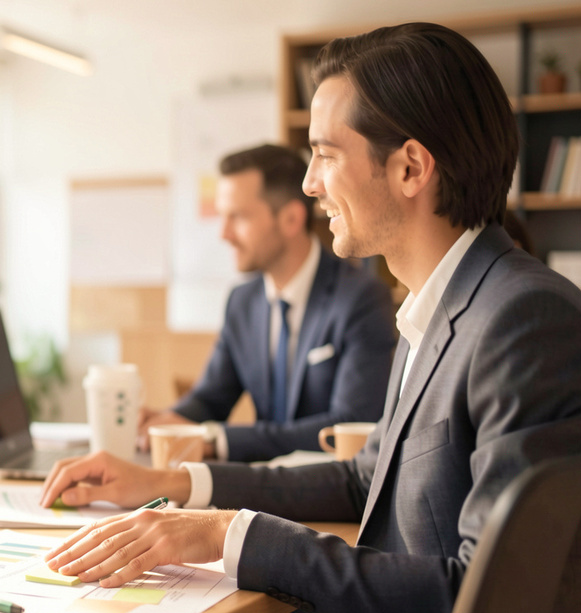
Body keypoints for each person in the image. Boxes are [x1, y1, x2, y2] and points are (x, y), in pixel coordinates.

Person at [39, 22, 581, 613]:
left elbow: (477, 602)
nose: (308, 184)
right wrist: (181, 486)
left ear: (410, 169)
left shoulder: (521, 318)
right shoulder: (444, 303)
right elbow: (370, 475)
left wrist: (233, 536)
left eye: (326, 154)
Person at [139, 144, 395, 463]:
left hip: (327, 495)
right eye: (223, 217)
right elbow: (209, 400)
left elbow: (349, 426)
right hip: (256, 490)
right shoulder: (242, 301)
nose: (224, 234)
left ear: (290, 218)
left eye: (238, 217)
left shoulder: (361, 298)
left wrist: (218, 440)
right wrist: (165, 423)